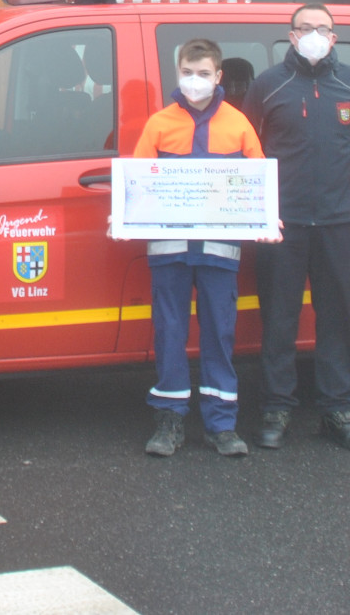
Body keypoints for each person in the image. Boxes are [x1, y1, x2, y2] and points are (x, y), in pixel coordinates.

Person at [241, 4, 350, 451]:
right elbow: (252, 146)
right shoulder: (269, 85)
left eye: (323, 28)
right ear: (291, 36)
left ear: (335, 37)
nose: (315, 34)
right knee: (279, 318)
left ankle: (338, 409)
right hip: (283, 224)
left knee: (337, 318)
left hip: (339, 222)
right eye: (306, 28)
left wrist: (340, 181)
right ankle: (276, 407)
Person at [131, 39, 268, 458]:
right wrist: (122, 213)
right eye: (188, 73)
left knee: (219, 334)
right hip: (170, 250)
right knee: (169, 332)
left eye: (204, 74)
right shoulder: (158, 124)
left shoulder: (238, 124)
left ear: (218, 76)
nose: (196, 81)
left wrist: (266, 218)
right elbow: (137, 184)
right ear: (177, 73)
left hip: (219, 251)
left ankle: (221, 425)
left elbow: (257, 185)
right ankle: (169, 421)